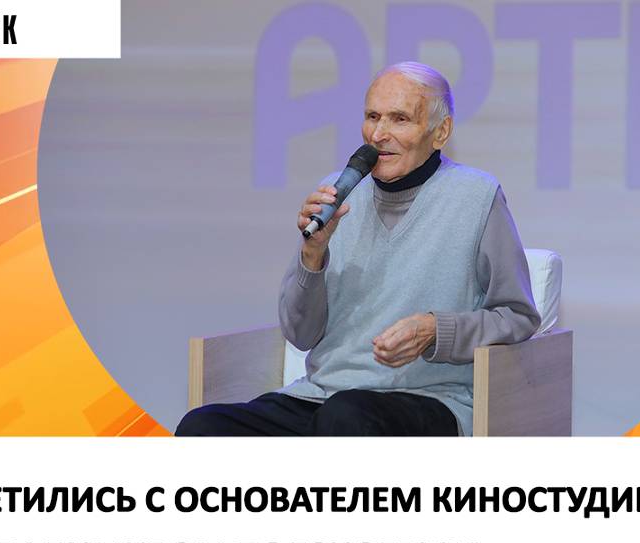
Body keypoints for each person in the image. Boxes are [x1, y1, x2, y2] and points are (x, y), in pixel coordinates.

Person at [177, 62, 541, 437]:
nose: (378, 135)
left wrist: (436, 329)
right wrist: (312, 255)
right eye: (372, 117)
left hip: (428, 399)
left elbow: (517, 316)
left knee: (346, 416)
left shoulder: (476, 196)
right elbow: (300, 334)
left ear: (440, 132)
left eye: (400, 119)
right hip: (322, 397)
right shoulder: (337, 193)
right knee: (202, 426)